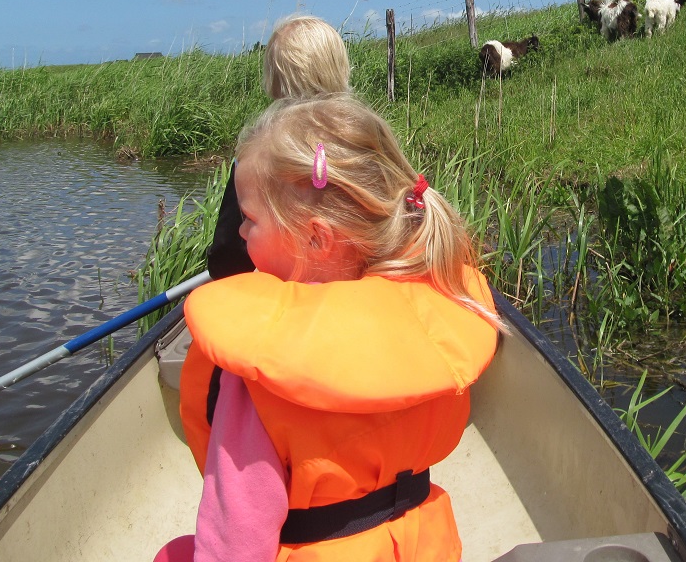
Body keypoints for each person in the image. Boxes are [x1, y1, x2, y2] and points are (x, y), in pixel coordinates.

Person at [159, 95, 502, 562]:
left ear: (315, 238)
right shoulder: (434, 318)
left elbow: (234, 541)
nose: (239, 234)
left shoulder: (260, 368)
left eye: (249, 219)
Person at [206, 14, 351, 280]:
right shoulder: (362, 143)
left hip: (291, 293)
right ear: (340, 68)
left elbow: (226, 261)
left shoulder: (256, 156)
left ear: (273, 80)